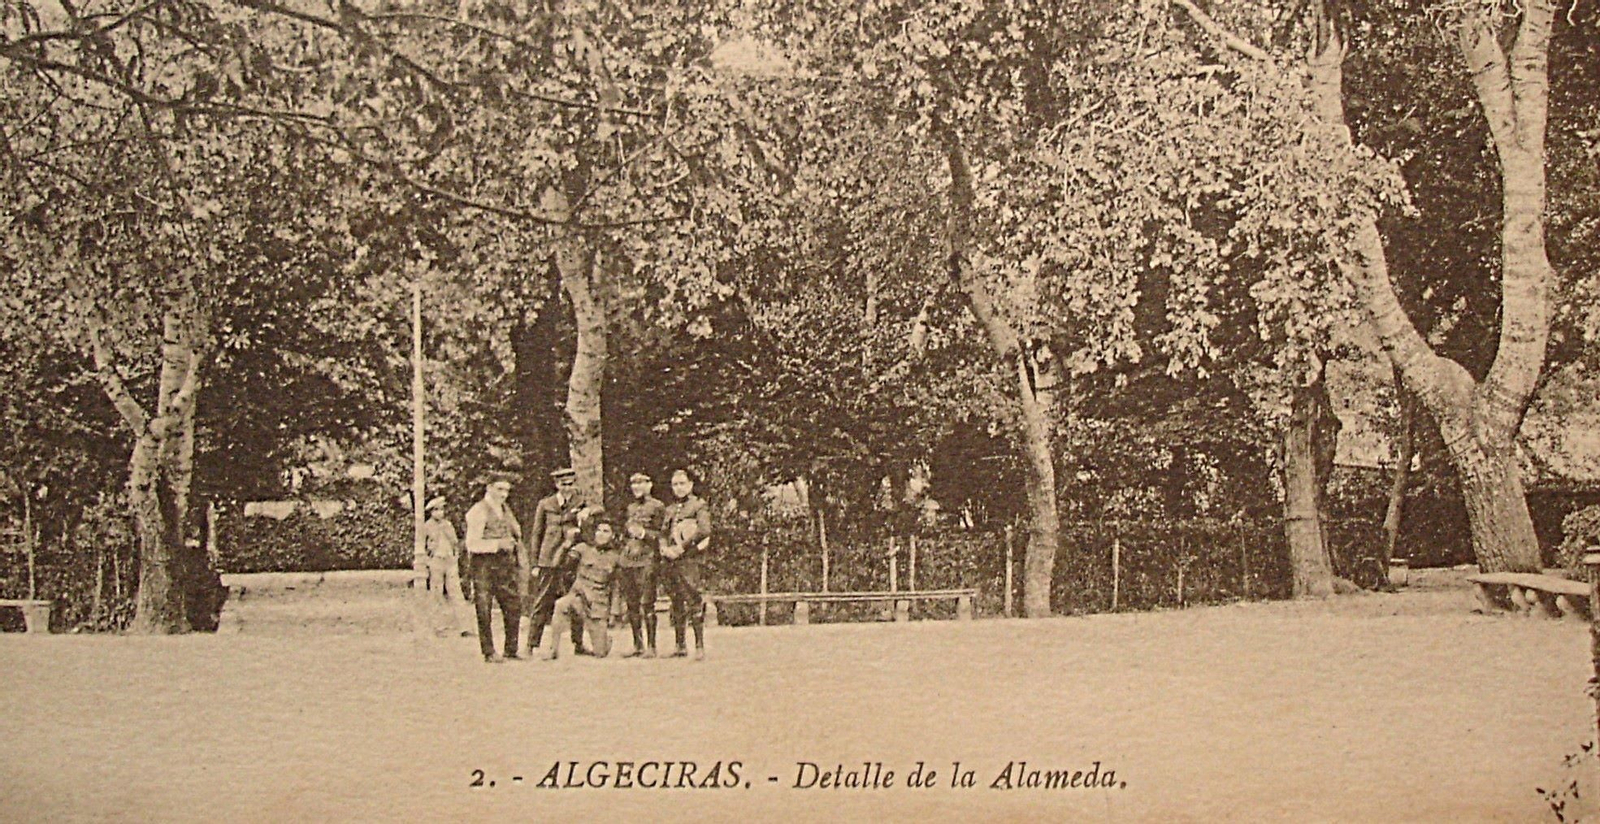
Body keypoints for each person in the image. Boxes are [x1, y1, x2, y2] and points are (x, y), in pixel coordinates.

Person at [526, 467, 587, 656]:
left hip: (570, 559)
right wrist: (535, 563)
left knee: (576, 600)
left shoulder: (580, 501)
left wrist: (587, 512)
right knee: (542, 601)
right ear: (556, 485)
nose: (567, 488)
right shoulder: (545, 504)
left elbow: (597, 511)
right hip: (549, 560)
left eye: (570, 484)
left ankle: (578, 643)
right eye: (563, 484)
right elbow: (536, 534)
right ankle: (530, 645)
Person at [543, 515, 621, 660]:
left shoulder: (616, 557)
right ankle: (553, 649)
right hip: (578, 598)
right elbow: (556, 564)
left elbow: (616, 587)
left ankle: (604, 641)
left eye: (606, 531)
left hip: (597, 606)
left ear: (612, 535)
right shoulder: (582, 549)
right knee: (560, 605)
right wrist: (566, 544)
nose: (601, 534)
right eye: (599, 530)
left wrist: (614, 613)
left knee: (600, 653)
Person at [465, 473, 523, 662]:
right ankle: (488, 652)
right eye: (499, 489)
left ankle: (511, 649)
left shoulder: (506, 510)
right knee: (484, 607)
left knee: (513, 604)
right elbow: (472, 544)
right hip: (483, 565)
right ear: (489, 487)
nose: (504, 494)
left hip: (504, 564)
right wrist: (497, 545)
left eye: (507, 490)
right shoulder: (478, 511)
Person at [659, 469, 712, 660]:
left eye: (682, 483)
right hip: (670, 560)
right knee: (675, 601)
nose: (679, 488)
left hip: (689, 559)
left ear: (690, 485)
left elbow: (704, 530)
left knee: (693, 599)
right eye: (675, 484)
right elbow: (663, 533)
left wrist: (681, 548)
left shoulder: (698, 506)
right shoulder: (671, 509)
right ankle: (680, 645)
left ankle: (699, 646)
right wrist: (664, 548)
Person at [615, 472, 666, 657]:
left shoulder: (658, 506)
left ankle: (651, 647)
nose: (636, 487)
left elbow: (663, 534)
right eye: (633, 484)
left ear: (650, 485)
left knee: (647, 604)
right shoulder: (630, 508)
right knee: (632, 604)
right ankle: (638, 645)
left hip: (647, 559)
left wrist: (644, 534)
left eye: (640, 483)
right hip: (628, 561)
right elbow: (624, 532)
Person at [420, 497, 472, 637]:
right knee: (436, 594)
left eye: (441, 509)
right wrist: (427, 561)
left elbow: (455, 542)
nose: (440, 513)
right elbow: (423, 545)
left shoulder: (448, 525)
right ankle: (439, 627)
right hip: (436, 561)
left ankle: (464, 627)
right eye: (436, 510)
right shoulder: (427, 526)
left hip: (449, 561)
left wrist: (455, 557)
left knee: (456, 593)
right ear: (431, 512)